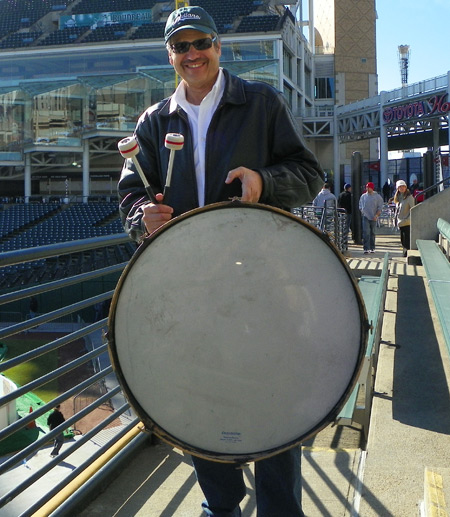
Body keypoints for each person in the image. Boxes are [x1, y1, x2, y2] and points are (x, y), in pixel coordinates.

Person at [118, 6, 324, 515]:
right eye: (181, 47)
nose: (192, 54)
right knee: (202, 398)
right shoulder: (153, 121)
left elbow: (309, 173)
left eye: (200, 43)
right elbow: (128, 194)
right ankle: (221, 504)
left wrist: (265, 181)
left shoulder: (261, 102)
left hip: (261, 282)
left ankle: (279, 508)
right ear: (170, 55)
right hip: (191, 290)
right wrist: (143, 214)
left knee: (272, 395)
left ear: (218, 46)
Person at [359, 182, 383, 254]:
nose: (367, 189)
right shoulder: (363, 196)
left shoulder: (377, 197)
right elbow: (360, 205)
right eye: (366, 187)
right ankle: (366, 248)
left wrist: (376, 215)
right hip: (365, 216)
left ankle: (372, 247)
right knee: (366, 232)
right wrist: (362, 211)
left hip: (374, 216)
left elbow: (380, 207)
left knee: (372, 232)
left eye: (368, 187)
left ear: (372, 188)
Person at [393, 179, 415, 257]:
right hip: (400, 222)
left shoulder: (409, 197)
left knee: (406, 240)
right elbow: (397, 210)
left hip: (406, 222)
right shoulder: (398, 198)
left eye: (403, 186)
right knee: (402, 240)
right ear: (397, 188)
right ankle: (405, 253)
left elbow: (413, 209)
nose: (402, 188)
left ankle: (407, 254)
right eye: (400, 187)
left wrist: (408, 220)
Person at [337, 183, 352, 249]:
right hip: (348, 212)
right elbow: (350, 204)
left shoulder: (340, 195)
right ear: (349, 188)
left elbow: (338, 203)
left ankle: (341, 240)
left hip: (340, 212)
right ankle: (344, 241)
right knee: (346, 227)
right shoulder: (349, 195)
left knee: (341, 226)